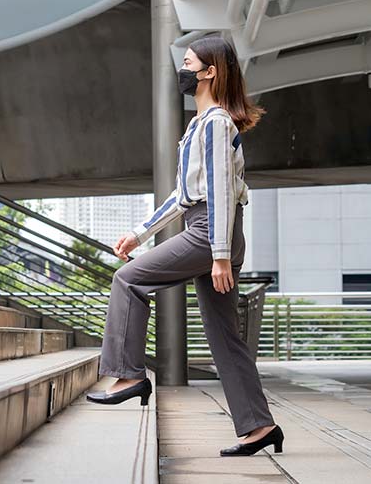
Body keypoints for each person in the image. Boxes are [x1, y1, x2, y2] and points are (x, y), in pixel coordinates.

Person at [86, 36, 284, 457]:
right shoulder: (199, 125)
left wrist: (218, 255)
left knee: (129, 280)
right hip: (208, 227)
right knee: (225, 336)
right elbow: (183, 195)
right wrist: (139, 233)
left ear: (209, 72)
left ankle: (128, 375)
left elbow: (218, 192)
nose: (183, 70)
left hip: (212, 230)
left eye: (189, 63)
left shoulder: (215, 122)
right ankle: (259, 426)